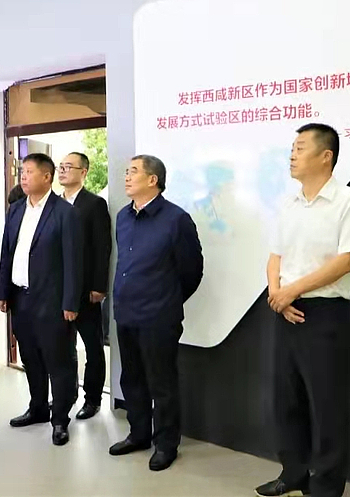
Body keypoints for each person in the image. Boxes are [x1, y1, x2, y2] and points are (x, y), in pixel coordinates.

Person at [256, 124, 350, 497]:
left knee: (326, 406)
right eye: (292, 147)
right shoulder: (288, 203)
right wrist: (278, 293)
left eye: (300, 147)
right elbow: (275, 256)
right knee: (287, 400)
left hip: (325, 313)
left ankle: (325, 487)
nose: (292, 154)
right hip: (285, 309)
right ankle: (293, 473)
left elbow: (347, 260)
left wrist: (293, 290)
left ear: (326, 156)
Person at [109, 154, 203, 472]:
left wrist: (168, 300)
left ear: (153, 180)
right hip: (126, 312)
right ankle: (138, 434)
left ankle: (166, 444)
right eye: (126, 171)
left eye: (133, 171)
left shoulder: (176, 219)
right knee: (132, 378)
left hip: (159, 316)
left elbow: (192, 271)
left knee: (161, 384)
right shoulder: (123, 217)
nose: (126, 176)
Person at [0, 153, 82, 446]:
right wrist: (3, 291)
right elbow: (7, 252)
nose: (23, 176)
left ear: (47, 177)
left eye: (29, 171)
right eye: (22, 171)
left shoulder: (65, 212)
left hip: (53, 301)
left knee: (58, 362)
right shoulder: (16, 209)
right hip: (21, 298)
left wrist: (70, 302)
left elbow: (73, 262)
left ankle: (60, 419)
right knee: (30, 358)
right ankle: (37, 408)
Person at [57, 152, 111, 420]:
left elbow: (102, 247)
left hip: (86, 290)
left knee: (92, 346)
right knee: (61, 348)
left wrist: (99, 286)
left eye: (69, 167)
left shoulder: (94, 204)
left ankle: (92, 399)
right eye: (61, 166)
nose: (63, 171)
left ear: (84, 172)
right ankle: (64, 396)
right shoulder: (53, 204)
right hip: (58, 290)